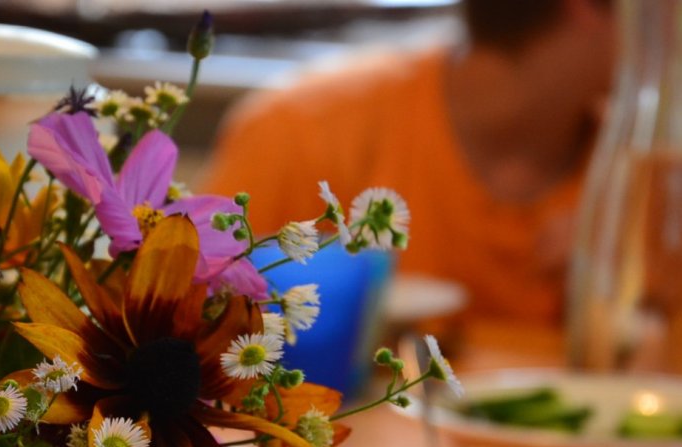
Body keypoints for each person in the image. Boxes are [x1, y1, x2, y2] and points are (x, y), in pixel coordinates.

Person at [200, 0, 619, 327]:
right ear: (583, 8)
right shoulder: (302, 130)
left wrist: (636, 290)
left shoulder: (640, 176)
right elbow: (197, 325)